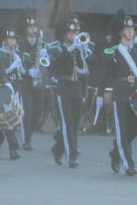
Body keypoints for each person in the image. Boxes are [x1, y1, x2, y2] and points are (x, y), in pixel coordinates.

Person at [48, 16, 92, 168]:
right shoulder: (59, 47)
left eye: (75, 32)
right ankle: (72, 155)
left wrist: (81, 50)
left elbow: (83, 70)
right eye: (71, 32)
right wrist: (70, 49)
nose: (74, 35)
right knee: (67, 122)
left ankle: (57, 149)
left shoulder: (79, 48)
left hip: (77, 88)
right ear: (65, 33)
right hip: (64, 87)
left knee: (74, 124)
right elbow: (56, 62)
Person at [101, 10, 137, 176]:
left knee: (132, 130)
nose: (131, 31)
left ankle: (115, 153)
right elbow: (106, 71)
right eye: (128, 29)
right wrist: (101, 95)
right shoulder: (114, 50)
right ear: (121, 31)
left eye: (133, 29)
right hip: (121, 92)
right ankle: (129, 165)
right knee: (122, 130)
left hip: (135, 93)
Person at [0, 27, 24, 162]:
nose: (12, 41)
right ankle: (14, 149)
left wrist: (21, 66)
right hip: (5, 87)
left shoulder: (15, 53)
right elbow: (1, 71)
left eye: (14, 39)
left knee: (10, 120)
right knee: (8, 119)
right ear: (5, 40)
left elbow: (21, 71)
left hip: (15, 87)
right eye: (10, 39)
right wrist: (12, 67)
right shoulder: (1, 53)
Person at [16, 10, 47, 150]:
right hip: (26, 81)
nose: (33, 29)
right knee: (27, 111)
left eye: (35, 27)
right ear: (26, 29)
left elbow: (47, 62)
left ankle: (29, 134)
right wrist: (28, 71)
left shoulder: (41, 43)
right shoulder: (21, 44)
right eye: (30, 27)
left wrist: (45, 56)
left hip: (38, 81)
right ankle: (25, 140)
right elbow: (18, 61)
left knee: (38, 112)